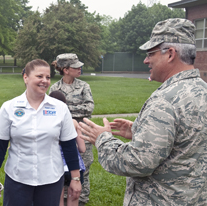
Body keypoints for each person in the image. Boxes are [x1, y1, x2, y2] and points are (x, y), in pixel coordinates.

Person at [78, 18, 207, 205]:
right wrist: (140, 131)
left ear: (170, 53)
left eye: (150, 53)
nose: (146, 60)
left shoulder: (165, 101)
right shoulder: (202, 90)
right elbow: (186, 143)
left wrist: (102, 138)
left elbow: (138, 163)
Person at [0, 59, 82, 206]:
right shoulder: (9, 107)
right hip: (18, 179)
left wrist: (76, 179)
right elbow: (0, 146)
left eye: (47, 77)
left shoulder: (60, 108)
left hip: (51, 180)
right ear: (25, 77)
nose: (45, 81)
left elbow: (69, 145)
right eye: (39, 76)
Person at [49, 53, 94, 206]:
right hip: (61, 139)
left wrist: (65, 110)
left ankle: (80, 200)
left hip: (81, 134)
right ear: (66, 70)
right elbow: (51, 111)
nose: (79, 68)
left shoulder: (83, 86)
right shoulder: (55, 88)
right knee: (61, 170)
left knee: (83, 169)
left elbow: (89, 108)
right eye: (75, 67)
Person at [49, 91, 86, 206]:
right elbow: (82, 148)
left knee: (58, 199)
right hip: (74, 167)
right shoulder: (73, 122)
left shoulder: (48, 123)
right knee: (73, 198)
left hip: (55, 166)